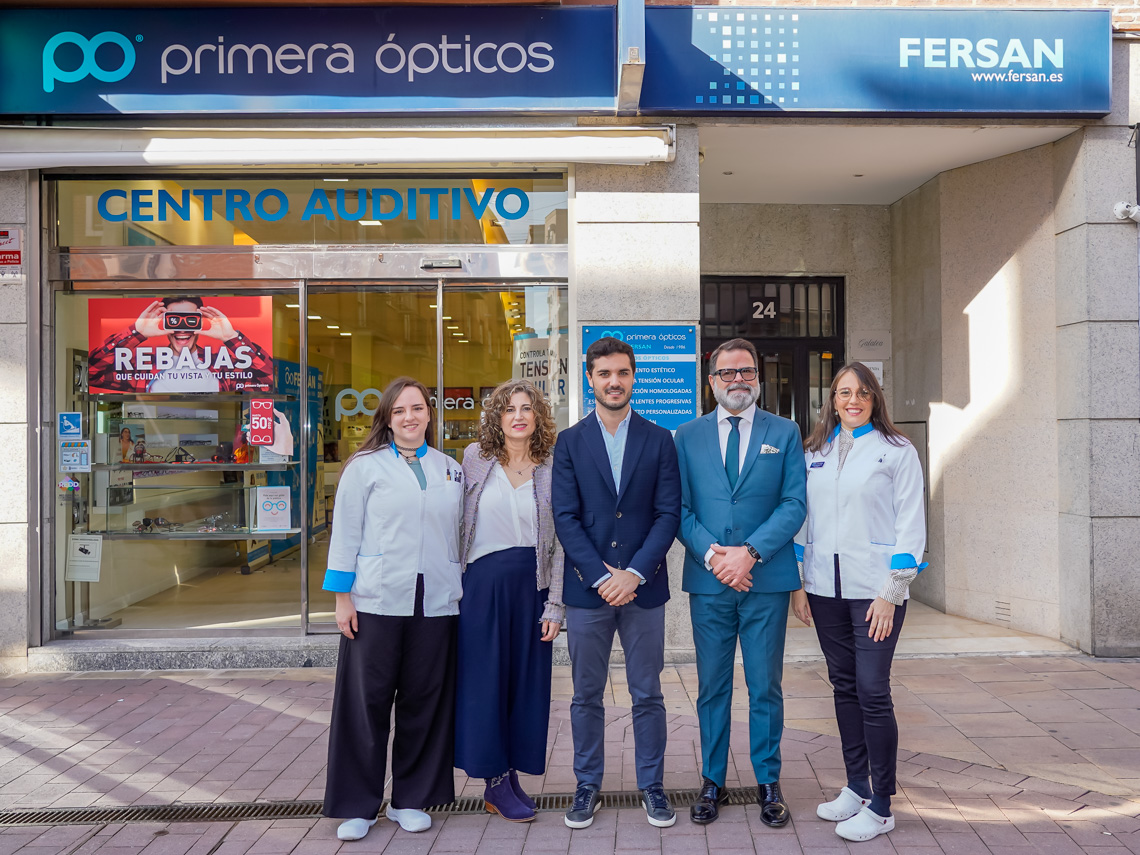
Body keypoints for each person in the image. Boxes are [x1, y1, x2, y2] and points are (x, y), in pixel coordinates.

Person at [321, 377, 464, 842]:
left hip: (436, 600)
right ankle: (358, 804)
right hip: (376, 598)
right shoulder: (364, 467)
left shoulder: (450, 469)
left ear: (429, 413)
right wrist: (343, 598)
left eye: (418, 408)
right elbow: (345, 533)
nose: (410, 417)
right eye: (400, 410)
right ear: (387, 416)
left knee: (425, 699)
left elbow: (459, 535)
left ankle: (410, 798)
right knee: (367, 703)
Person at [791, 362, 927, 844]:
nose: (853, 400)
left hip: (876, 594)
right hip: (826, 591)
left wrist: (892, 591)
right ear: (831, 399)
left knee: (872, 689)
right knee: (844, 686)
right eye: (843, 392)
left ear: (875, 399)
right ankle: (856, 786)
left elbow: (911, 524)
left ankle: (884, 804)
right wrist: (800, 584)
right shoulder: (815, 452)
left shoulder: (897, 451)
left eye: (862, 392)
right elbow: (803, 522)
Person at [674, 338, 806, 828]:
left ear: (758, 377)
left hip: (765, 579)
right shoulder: (685, 436)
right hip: (709, 582)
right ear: (710, 382)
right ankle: (712, 780)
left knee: (764, 685)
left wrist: (749, 554)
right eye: (726, 373)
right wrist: (715, 557)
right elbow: (680, 510)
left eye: (746, 372)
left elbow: (794, 503)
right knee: (712, 686)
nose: (737, 381)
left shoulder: (785, 432)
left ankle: (768, 781)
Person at [552, 336, 682, 829]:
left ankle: (652, 785)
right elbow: (565, 516)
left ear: (633, 376)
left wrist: (634, 573)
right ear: (590, 378)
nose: (614, 381)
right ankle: (588, 785)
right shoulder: (569, 441)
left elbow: (668, 513)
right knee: (586, 694)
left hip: (643, 588)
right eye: (604, 373)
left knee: (647, 692)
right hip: (589, 590)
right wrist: (603, 576)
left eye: (622, 373)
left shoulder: (659, 439)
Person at [455, 379, 565, 823]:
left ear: (537, 417)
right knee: (485, 685)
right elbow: (455, 525)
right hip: (482, 587)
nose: (518, 415)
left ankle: (512, 773)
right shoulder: (474, 460)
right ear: (496, 418)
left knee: (526, 686)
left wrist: (555, 604)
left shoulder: (553, 466)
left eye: (526, 408)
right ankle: (495, 781)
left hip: (532, 588)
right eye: (508, 409)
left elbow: (562, 545)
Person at [88, 296, 273, 392]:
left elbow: (269, 379)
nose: (182, 328)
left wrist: (231, 338)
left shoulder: (221, 366)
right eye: (174, 320)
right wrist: (136, 333)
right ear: (163, 320)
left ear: (200, 321)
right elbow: (91, 372)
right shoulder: (142, 367)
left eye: (190, 319)